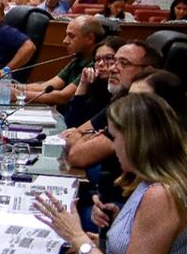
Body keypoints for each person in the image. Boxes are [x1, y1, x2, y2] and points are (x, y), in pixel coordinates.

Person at [29, 93, 187, 254]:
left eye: (115, 138)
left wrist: (77, 238)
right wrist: (111, 231)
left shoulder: (162, 195)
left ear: (136, 140)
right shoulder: (155, 180)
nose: (113, 148)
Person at [64, 40, 163, 169]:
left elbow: (77, 156)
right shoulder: (120, 99)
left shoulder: (137, 110)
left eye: (124, 63)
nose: (112, 68)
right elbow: (73, 133)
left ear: (148, 71)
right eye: (115, 61)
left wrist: (87, 136)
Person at [11, 16, 103, 107]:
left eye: (71, 36)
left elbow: (63, 97)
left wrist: (19, 94)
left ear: (90, 38)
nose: (65, 41)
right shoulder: (79, 57)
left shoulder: (96, 64)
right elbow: (47, 86)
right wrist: (12, 87)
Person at [63, 38, 122, 128]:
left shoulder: (122, 91)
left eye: (109, 58)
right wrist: (83, 84)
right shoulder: (97, 87)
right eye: (97, 59)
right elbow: (71, 122)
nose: (101, 63)